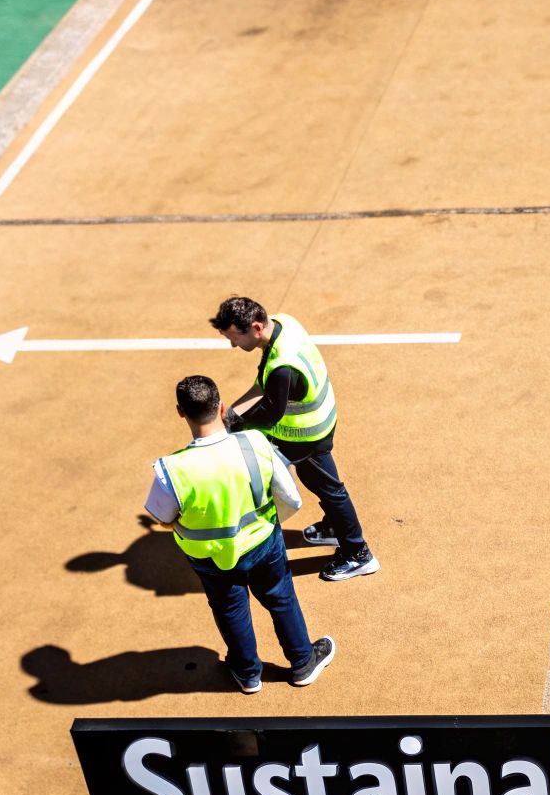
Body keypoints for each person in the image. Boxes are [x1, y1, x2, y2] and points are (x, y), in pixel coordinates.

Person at [145, 375, 337, 693]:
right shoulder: (255, 443)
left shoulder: (171, 470)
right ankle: (302, 663)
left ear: (181, 412)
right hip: (263, 543)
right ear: (221, 407)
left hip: (209, 557)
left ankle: (248, 674)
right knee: (281, 598)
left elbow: (163, 517)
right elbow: (291, 498)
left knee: (229, 608)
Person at [209, 296, 379, 581]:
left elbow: (270, 413)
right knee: (319, 484)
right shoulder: (283, 323)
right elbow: (264, 383)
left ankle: (358, 553)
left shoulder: (282, 364)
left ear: (255, 327)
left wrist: (237, 426)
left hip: (308, 435)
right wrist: (234, 410)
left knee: (330, 489)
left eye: (235, 338)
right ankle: (335, 528)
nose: (233, 345)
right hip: (321, 419)